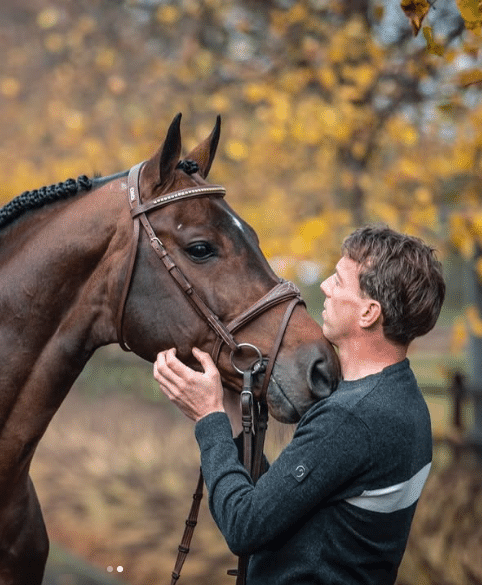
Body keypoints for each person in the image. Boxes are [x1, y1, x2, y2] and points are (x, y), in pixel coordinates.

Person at [154, 225, 445, 584]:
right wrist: (231, 419)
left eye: (338, 280)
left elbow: (244, 525)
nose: (324, 286)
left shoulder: (351, 419)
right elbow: (278, 504)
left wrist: (208, 418)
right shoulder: (404, 399)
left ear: (369, 313)